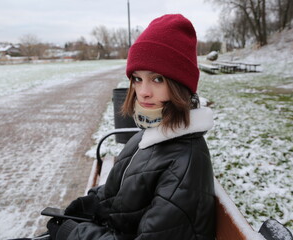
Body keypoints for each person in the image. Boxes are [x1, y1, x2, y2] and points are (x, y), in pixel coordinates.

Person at [47, 14, 215, 240]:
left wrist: (73, 233)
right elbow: (115, 194)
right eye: (137, 78)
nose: (143, 91)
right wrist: (84, 206)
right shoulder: (151, 134)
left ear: (180, 85)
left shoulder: (185, 163)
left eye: (157, 79)